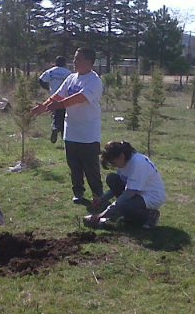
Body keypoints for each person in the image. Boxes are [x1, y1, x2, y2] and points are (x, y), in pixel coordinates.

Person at [31, 47, 104, 204]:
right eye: (74, 58)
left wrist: (59, 105)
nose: (74, 62)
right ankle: (78, 192)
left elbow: (80, 97)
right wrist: (45, 106)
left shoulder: (94, 81)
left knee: (90, 166)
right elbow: (58, 94)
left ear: (89, 62)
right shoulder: (71, 78)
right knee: (74, 164)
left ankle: (98, 194)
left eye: (78, 59)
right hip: (71, 130)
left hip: (88, 132)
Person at [85, 141, 165, 229]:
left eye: (113, 162)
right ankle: (131, 216)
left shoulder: (137, 163)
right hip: (137, 192)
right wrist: (102, 198)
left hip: (151, 196)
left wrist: (106, 212)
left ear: (121, 156)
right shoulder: (123, 162)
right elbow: (123, 184)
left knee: (123, 206)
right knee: (111, 178)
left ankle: (150, 214)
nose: (113, 165)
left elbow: (130, 192)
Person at [39, 56, 71, 143]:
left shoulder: (50, 71)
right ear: (65, 64)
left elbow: (41, 80)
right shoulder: (68, 73)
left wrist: (47, 88)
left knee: (55, 116)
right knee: (65, 117)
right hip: (65, 98)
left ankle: (55, 128)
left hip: (54, 98)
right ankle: (64, 136)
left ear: (55, 63)